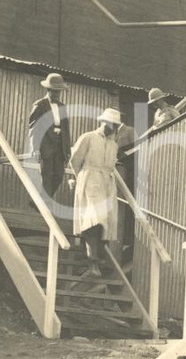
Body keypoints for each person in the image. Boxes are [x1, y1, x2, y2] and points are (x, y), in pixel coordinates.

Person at [70, 108, 123, 263]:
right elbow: (75, 160)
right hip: (90, 179)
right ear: (103, 122)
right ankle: (91, 254)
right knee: (94, 216)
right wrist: (81, 177)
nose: (113, 128)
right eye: (111, 124)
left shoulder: (114, 145)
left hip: (107, 181)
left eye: (115, 126)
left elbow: (111, 165)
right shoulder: (88, 137)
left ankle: (101, 254)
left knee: (108, 218)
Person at [28, 73, 71, 203]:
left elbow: (66, 129)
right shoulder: (40, 105)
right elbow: (34, 128)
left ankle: (39, 201)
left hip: (59, 146)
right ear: (48, 90)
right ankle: (44, 206)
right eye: (54, 91)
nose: (57, 95)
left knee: (58, 176)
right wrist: (35, 148)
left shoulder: (62, 107)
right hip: (46, 144)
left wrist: (67, 150)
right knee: (47, 177)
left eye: (59, 92)